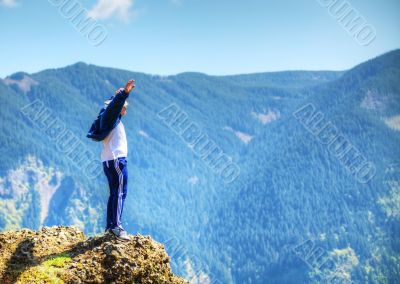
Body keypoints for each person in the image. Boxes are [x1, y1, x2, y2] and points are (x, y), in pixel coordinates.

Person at [87, 79, 136, 241]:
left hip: (110, 160)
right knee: (120, 192)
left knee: (116, 193)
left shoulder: (109, 120)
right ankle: (115, 227)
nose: (125, 111)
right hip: (117, 160)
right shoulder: (110, 117)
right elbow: (113, 108)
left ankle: (111, 226)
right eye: (124, 108)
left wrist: (117, 96)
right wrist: (124, 94)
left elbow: (111, 107)